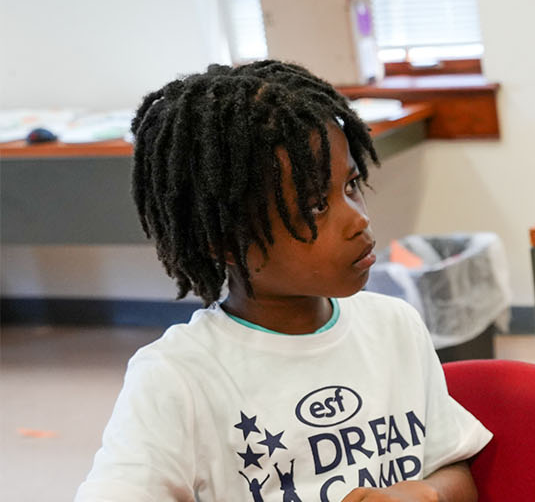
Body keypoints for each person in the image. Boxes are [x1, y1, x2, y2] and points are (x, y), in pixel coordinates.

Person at [77, 61, 491, 502]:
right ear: (226, 242)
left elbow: (453, 467)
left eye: (350, 185)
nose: (359, 220)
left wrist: (428, 495)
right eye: (314, 206)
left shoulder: (395, 327)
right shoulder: (177, 377)